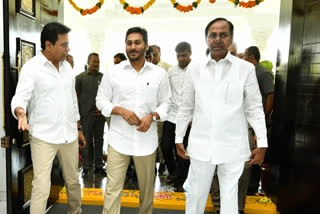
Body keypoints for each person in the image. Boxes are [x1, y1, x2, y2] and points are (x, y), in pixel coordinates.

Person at [175, 18, 268, 214]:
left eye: (223, 35)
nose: (218, 39)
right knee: (195, 195)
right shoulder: (195, 68)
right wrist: (178, 137)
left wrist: (262, 143)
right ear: (207, 39)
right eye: (213, 35)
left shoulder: (245, 69)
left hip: (233, 145)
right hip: (201, 144)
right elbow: (186, 106)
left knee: (229, 197)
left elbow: (254, 108)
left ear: (231, 38)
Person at [11, 22, 86, 214]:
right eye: (64, 44)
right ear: (48, 45)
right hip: (43, 137)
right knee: (41, 186)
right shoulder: (32, 68)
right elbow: (20, 97)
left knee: (73, 182)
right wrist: (20, 111)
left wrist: (78, 129)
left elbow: (72, 101)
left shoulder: (68, 68)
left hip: (68, 135)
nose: (68, 49)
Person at [96, 27, 171, 214]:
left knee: (146, 192)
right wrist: (119, 110)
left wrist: (152, 116)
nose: (133, 46)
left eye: (137, 42)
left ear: (146, 46)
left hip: (146, 142)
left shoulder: (159, 74)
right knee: (113, 190)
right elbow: (100, 101)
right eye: (129, 43)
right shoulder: (113, 72)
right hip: (118, 140)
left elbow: (167, 103)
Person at [243, 46, 274, 196]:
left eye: (244, 57)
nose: (242, 60)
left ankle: (252, 188)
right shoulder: (251, 72)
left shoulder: (262, 73)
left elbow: (270, 96)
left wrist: (263, 118)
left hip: (258, 122)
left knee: (256, 153)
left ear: (251, 57)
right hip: (250, 122)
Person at [161, 42, 192, 191]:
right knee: (166, 147)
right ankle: (173, 172)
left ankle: (180, 182)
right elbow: (166, 92)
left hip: (188, 119)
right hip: (171, 116)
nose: (181, 59)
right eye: (179, 56)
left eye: (184, 55)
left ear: (190, 54)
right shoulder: (171, 71)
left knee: (183, 151)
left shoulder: (196, 70)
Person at [76, 53, 106, 178]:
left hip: (100, 116)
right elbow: (75, 98)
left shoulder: (104, 78)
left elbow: (108, 95)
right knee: (86, 141)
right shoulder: (80, 78)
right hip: (86, 115)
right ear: (88, 62)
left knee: (99, 141)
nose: (96, 64)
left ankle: (99, 165)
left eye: (98, 62)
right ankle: (87, 167)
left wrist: (103, 109)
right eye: (94, 62)